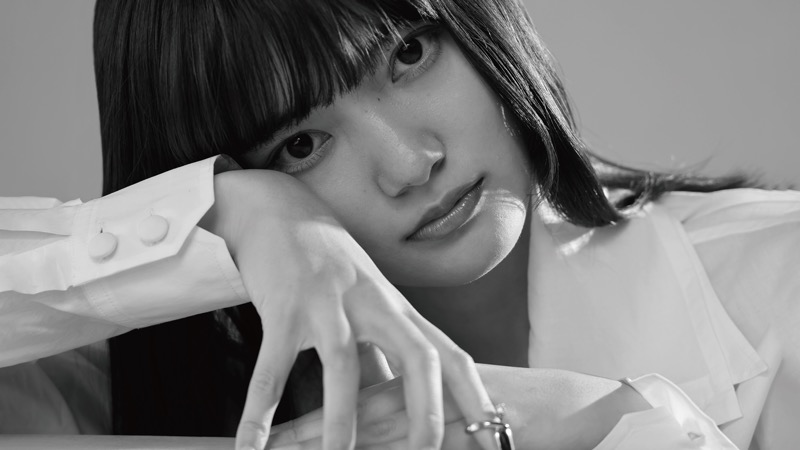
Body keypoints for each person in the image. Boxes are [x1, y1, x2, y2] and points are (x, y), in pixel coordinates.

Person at [1, 0, 798, 449]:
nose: (411, 164)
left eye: (410, 55)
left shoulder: (779, 283)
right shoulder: (116, 392)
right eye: (301, 145)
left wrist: (609, 425)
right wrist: (225, 212)